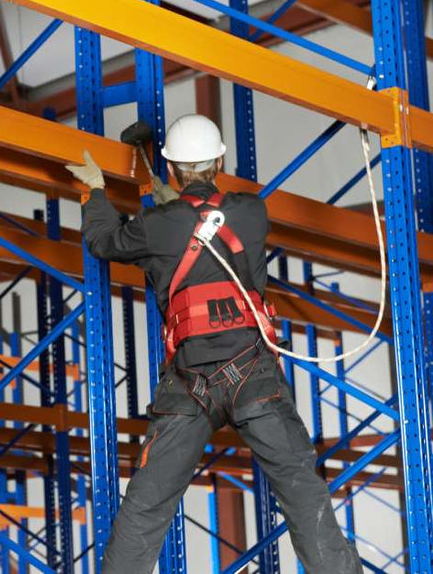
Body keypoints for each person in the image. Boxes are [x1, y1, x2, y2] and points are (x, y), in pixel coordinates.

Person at [68, 114, 362, 573]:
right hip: (254, 376)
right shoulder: (252, 211)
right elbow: (199, 225)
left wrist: (94, 191)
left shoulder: (156, 227)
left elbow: (106, 240)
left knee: (145, 510)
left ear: (171, 171)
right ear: (220, 159)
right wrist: (164, 190)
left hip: (189, 382)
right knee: (305, 495)